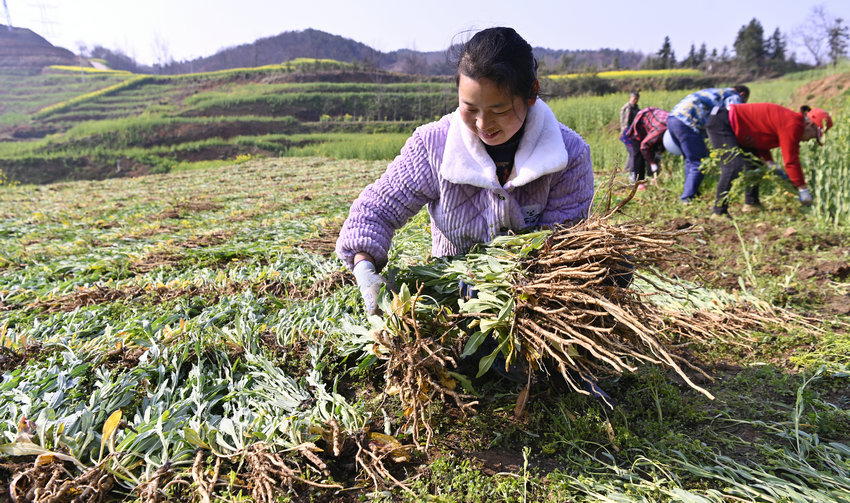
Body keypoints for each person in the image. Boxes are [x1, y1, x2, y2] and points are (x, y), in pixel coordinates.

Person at [335, 27, 594, 316]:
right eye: (470, 109)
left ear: (531, 93)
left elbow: (560, 253)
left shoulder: (568, 155)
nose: (483, 124)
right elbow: (376, 211)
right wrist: (364, 268)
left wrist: (502, 292)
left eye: (498, 111)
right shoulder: (433, 146)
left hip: (530, 304)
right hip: (447, 301)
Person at [705, 103, 833, 217]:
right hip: (723, 123)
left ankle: (751, 203)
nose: (809, 140)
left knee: (754, 165)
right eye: (813, 136)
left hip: (739, 130)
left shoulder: (793, 122)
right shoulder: (794, 124)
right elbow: (791, 160)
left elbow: (761, 138)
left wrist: (770, 162)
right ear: (810, 124)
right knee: (732, 166)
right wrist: (802, 188)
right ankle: (719, 212)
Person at [666, 86, 750, 202]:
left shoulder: (719, 91)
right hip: (688, 122)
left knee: (690, 160)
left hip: (673, 118)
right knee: (698, 162)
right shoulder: (735, 96)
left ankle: (691, 193)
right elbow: (734, 116)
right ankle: (687, 198)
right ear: (742, 94)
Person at [624, 106, 669, 188]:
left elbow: (663, 142)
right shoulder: (660, 129)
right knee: (639, 155)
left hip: (653, 122)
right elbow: (643, 146)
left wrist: (659, 153)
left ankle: (653, 179)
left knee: (652, 151)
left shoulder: (671, 128)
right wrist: (652, 163)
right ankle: (639, 183)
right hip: (640, 125)